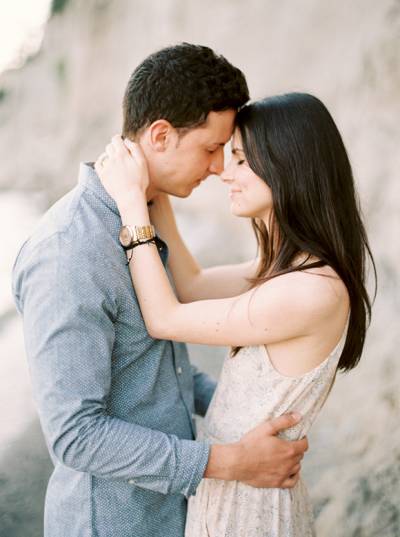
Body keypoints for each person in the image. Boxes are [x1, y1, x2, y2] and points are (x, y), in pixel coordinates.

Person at [11, 44, 307, 537]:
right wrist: (232, 461)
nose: (219, 167)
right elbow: (75, 435)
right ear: (162, 135)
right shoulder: (67, 252)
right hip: (113, 522)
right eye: (211, 148)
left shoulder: (146, 217)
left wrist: (256, 414)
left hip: (175, 511)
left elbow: (153, 365)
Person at [95, 91, 376, 536]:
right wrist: (157, 187)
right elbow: (191, 287)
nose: (226, 172)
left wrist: (132, 206)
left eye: (242, 160)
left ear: (289, 167)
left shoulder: (309, 291)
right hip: (242, 488)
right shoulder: (284, 271)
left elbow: (165, 318)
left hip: (253, 508)